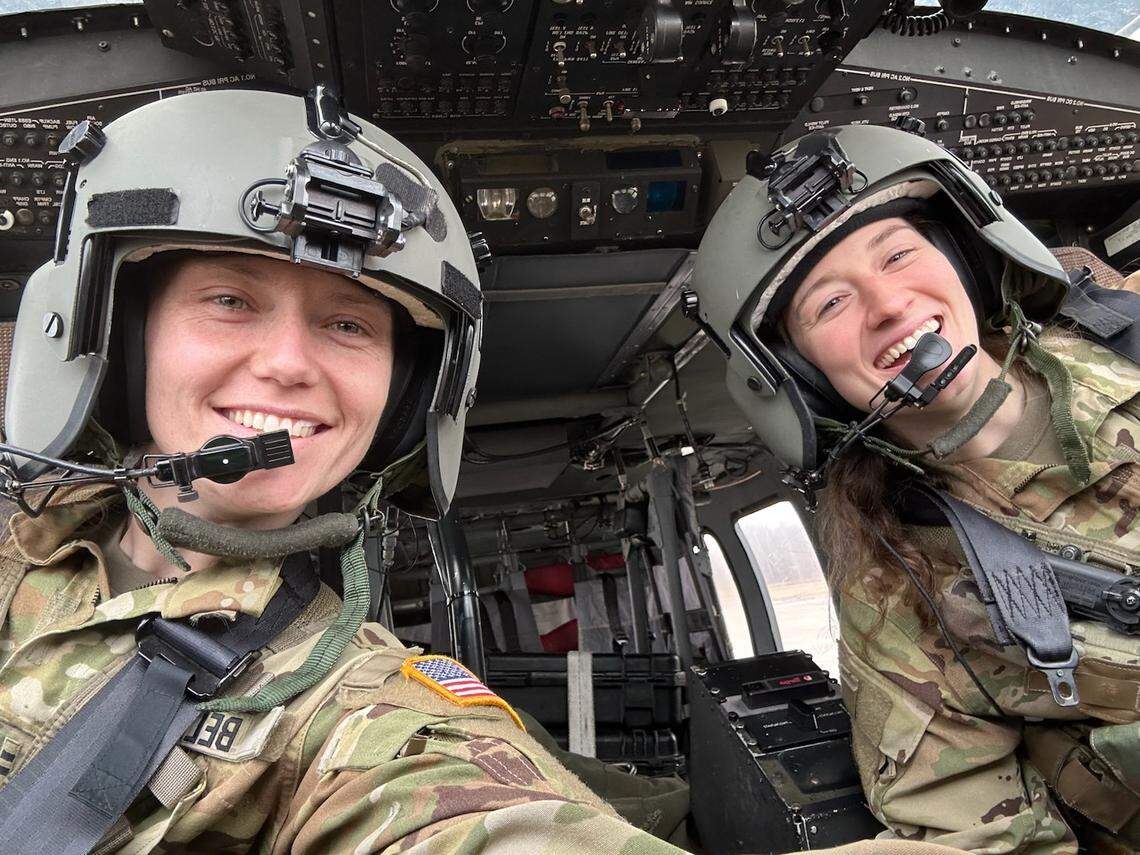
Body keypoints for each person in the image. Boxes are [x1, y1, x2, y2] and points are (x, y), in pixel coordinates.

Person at [0, 87, 698, 854]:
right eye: (231, 298)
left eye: (346, 323)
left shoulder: (369, 714)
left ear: (403, 399)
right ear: (125, 336)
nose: (289, 364)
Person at [689, 123, 1140, 853]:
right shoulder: (897, 592)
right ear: (800, 378)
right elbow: (982, 837)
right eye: (830, 304)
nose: (890, 304)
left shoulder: (1128, 334)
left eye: (899, 254)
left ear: (961, 258)